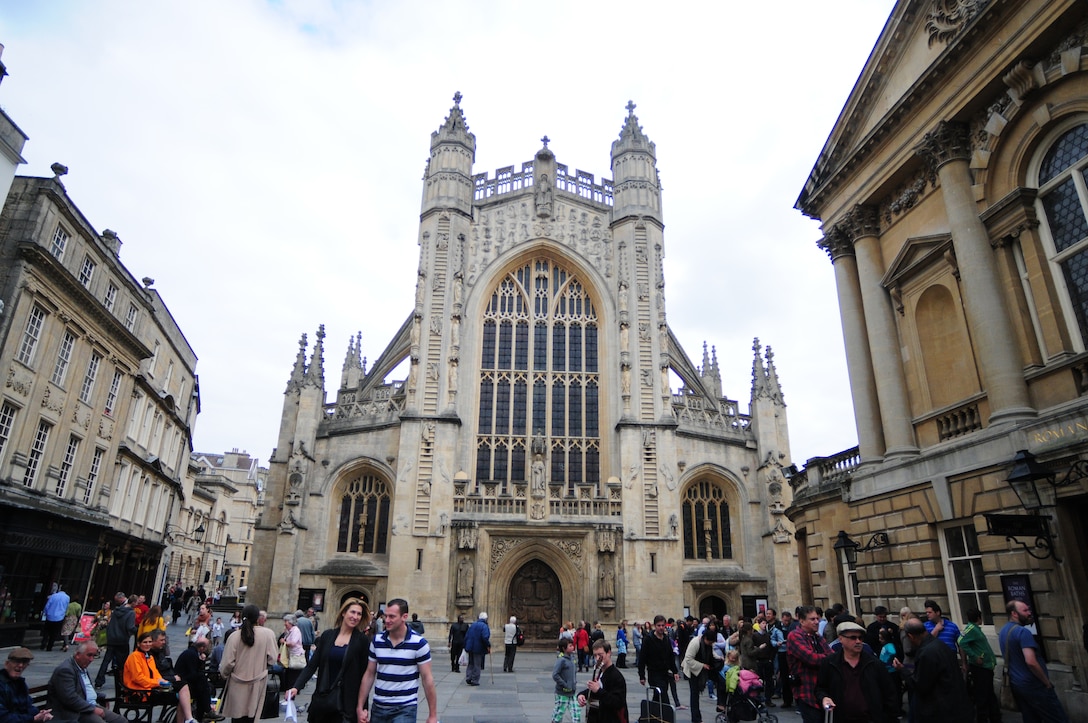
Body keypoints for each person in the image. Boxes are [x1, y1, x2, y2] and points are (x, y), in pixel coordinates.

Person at [287, 598, 370, 723]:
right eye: (352, 612)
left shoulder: (362, 640)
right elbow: (312, 665)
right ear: (343, 613)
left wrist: (363, 708)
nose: (355, 617)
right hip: (323, 700)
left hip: (346, 704)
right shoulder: (328, 636)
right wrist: (296, 687)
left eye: (359, 614)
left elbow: (365, 676)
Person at [356, 598, 438, 723]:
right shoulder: (377, 641)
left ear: (404, 617)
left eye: (392, 617)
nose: (387, 620)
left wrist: (432, 715)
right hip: (379, 706)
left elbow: (427, 679)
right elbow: (369, 674)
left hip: (405, 708)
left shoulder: (419, 644)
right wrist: (360, 707)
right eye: (386, 616)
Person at [814, 620, 899, 723]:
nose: (858, 641)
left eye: (860, 638)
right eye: (853, 638)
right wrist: (824, 698)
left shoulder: (874, 664)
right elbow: (820, 688)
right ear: (841, 639)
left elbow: (889, 694)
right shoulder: (830, 663)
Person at [999, 599, 1068, 723]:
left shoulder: (1004, 631)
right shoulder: (1023, 632)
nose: (1029, 613)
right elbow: (1030, 661)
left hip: (1018, 685)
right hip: (1034, 685)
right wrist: (1046, 682)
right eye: (1025, 610)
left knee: (1031, 719)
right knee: (1058, 718)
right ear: (1014, 613)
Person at [893, 619, 973, 723]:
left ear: (911, 636)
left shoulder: (926, 653)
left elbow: (921, 685)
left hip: (941, 711)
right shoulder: (940, 645)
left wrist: (902, 670)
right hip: (956, 706)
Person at [219, 604, 278, 723]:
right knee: (252, 717)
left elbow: (227, 663)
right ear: (258, 618)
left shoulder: (234, 636)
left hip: (237, 684)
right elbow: (272, 659)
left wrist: (224, 675)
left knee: (237, 718)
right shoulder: (268, 634)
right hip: (258, 682)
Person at [48, 641, 125, 723]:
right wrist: (92, 709)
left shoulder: (81, 666)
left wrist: (99, 696)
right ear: (78, 655)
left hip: (88, 706)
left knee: (121, 720)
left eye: (93, 656)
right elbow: (69, 698)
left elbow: (84, 689)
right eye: (89, 655)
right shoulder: (65, 670)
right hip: (74, 711)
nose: (91, 659)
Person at [787, 605, 832, 723]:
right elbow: (811, 658)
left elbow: (833, 655)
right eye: (812, 619)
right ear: (801, 621)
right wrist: (827, 658)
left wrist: (827, 658)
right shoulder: (795, 636)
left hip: (822, 690)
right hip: (806, 691)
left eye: (817, 619)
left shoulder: (817, 637)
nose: (817, 622)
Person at [957, 608, 1001, 723]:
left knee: (989, 694)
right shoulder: (971, 629)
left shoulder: (976, 629)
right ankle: (982, 718)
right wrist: (974, 656)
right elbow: (961, 641)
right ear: (979, 618)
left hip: (986, 667)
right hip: (980, 668)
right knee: (982, 695)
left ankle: (995, 717)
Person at [681, 623, 723, 723]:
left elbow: (712, 654)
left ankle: (721, 704)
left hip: (703, 667)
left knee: (720, 681)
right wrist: (702, 665)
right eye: (710, 642)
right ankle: (696, 719)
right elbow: (688, 659)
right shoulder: (695, 642)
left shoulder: (709, 644)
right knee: (694, 695)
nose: (711, 644)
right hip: (692, 670)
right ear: (705, 639)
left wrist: (719, 658)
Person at [577, 640, 628, 723]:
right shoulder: (600, 672)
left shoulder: (616, 676)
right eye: (595, 655)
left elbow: (618, 702)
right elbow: (594, 690)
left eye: (600, 655)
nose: (597, 659)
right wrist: (582, 695)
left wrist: (598, 691)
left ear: (609, 653)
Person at [175, 637, 222, 723]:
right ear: (202, 648)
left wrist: (201, 661)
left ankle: (205, 711)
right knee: (202, 683)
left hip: (185, 681)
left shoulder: (192, 652)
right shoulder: (191, 654)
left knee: (204, 685)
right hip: (182, 682)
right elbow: (193, 673)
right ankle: (206, 711)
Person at [0, 648, 52, 723]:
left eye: (24, 662)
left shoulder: (20, 682)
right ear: (7, 664)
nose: (20, 665)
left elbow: (27, 706)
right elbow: (3, 717)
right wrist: (32, 718)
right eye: (17, 661)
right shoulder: (2, 684)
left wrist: (41, 714)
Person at [94, 593, 135, 689]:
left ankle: (99, 681)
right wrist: (137, 631)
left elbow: (111, 624)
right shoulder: (131, 613)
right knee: (122, 663)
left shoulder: (116, 611)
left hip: (112, 639)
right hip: (122, 640)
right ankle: (123, 682)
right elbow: (130, 627)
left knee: (106, 660)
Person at [637, 615, 679, 707]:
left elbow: (670, 656)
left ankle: (647, 717)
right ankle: (668, 717)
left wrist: (675, 671)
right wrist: (642, 675)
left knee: (657, 697)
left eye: (662, 625)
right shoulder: (648, 639)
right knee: (663, 696)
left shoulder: (666, 639)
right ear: (655, 626)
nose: (661, 628)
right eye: (658, 625)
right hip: (654, 673)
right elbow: (642, 658)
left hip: (664, 673)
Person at [551, 638, 581, 723]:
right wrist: (564, 684)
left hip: (572, 692)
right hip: (562, 692)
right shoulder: (561, 660)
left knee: (576, 712)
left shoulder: (572, 659)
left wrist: (573, 683)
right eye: (570, 646)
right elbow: (555, 675)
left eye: (572, 645)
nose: (572, 647)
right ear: (564, 648)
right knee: (558, 713)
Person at [279, 614, 306, 691]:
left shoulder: (295, 630)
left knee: (293, 674)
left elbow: (293, 643)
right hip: (291, 655)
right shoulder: (289, 631)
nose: (285, 623)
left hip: (296, 655)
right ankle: (288, 689)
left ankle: (292, 690)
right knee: (289, 674)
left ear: (290, 622)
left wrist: (284, 642)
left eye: (286, 621)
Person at [463, 612, 490, 686]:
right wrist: (488, 645)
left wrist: (465, 645)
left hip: (470, 646)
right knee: (477, 664)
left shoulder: (473, 625)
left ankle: (468, 677)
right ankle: (475, 680)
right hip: (479, 648)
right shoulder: (484, 626)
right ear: (486, 619)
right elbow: (485, 637)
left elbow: (467, 636)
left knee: (471, 663)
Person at [42, 585, 71, 652]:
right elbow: (66, 607)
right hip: (59, 617)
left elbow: (48, 605)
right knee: (54, 633)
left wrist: (45, 612)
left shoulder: (54, 596)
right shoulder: (67, 597)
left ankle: (43, 643)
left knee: (46, 631)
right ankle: (49, 646)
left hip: (50, 615)